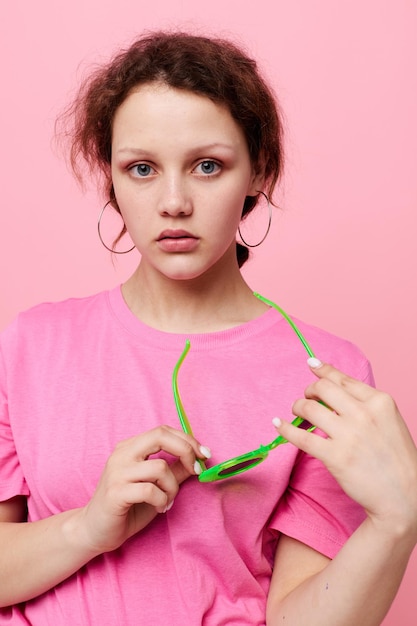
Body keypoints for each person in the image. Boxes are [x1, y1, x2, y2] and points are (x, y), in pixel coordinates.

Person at [0, 31, 416, 626]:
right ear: (111, 178)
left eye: (207, 166)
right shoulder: (29, 346)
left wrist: (398, 524)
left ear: (258, 171)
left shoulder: (328, 377)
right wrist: (90, 526)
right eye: (141, 168)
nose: (173, 202)